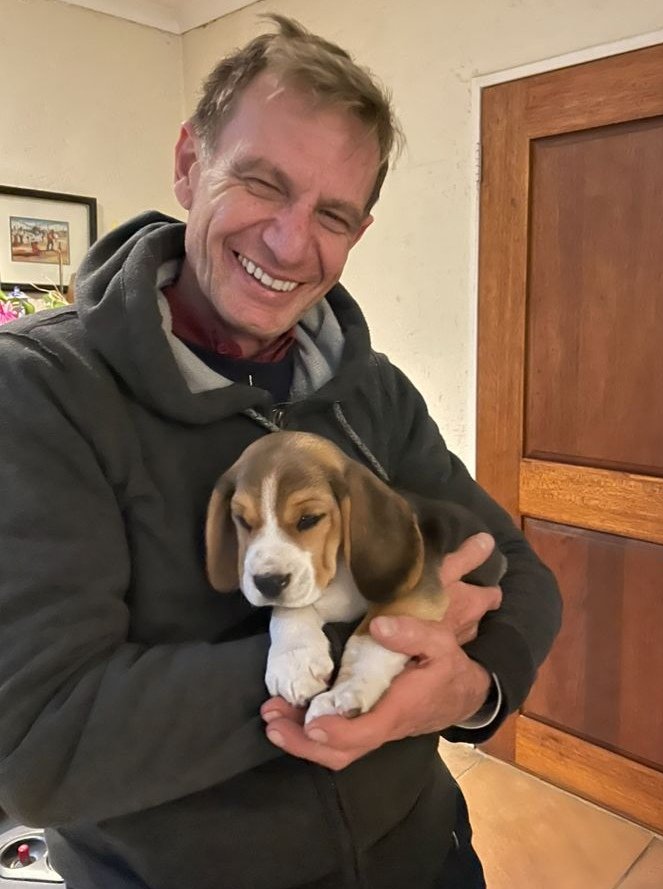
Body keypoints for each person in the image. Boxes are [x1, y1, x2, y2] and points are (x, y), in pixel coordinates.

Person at [0, 16, 561, 889]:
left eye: (332, 214)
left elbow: (516, 569)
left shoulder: (372, 391)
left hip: (427, 856)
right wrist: (356, 640)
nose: (292, 243)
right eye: (263, 184)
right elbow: (40, 744)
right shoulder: (39, 394)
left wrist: (468, 692)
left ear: (359, 230)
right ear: (189, 164)